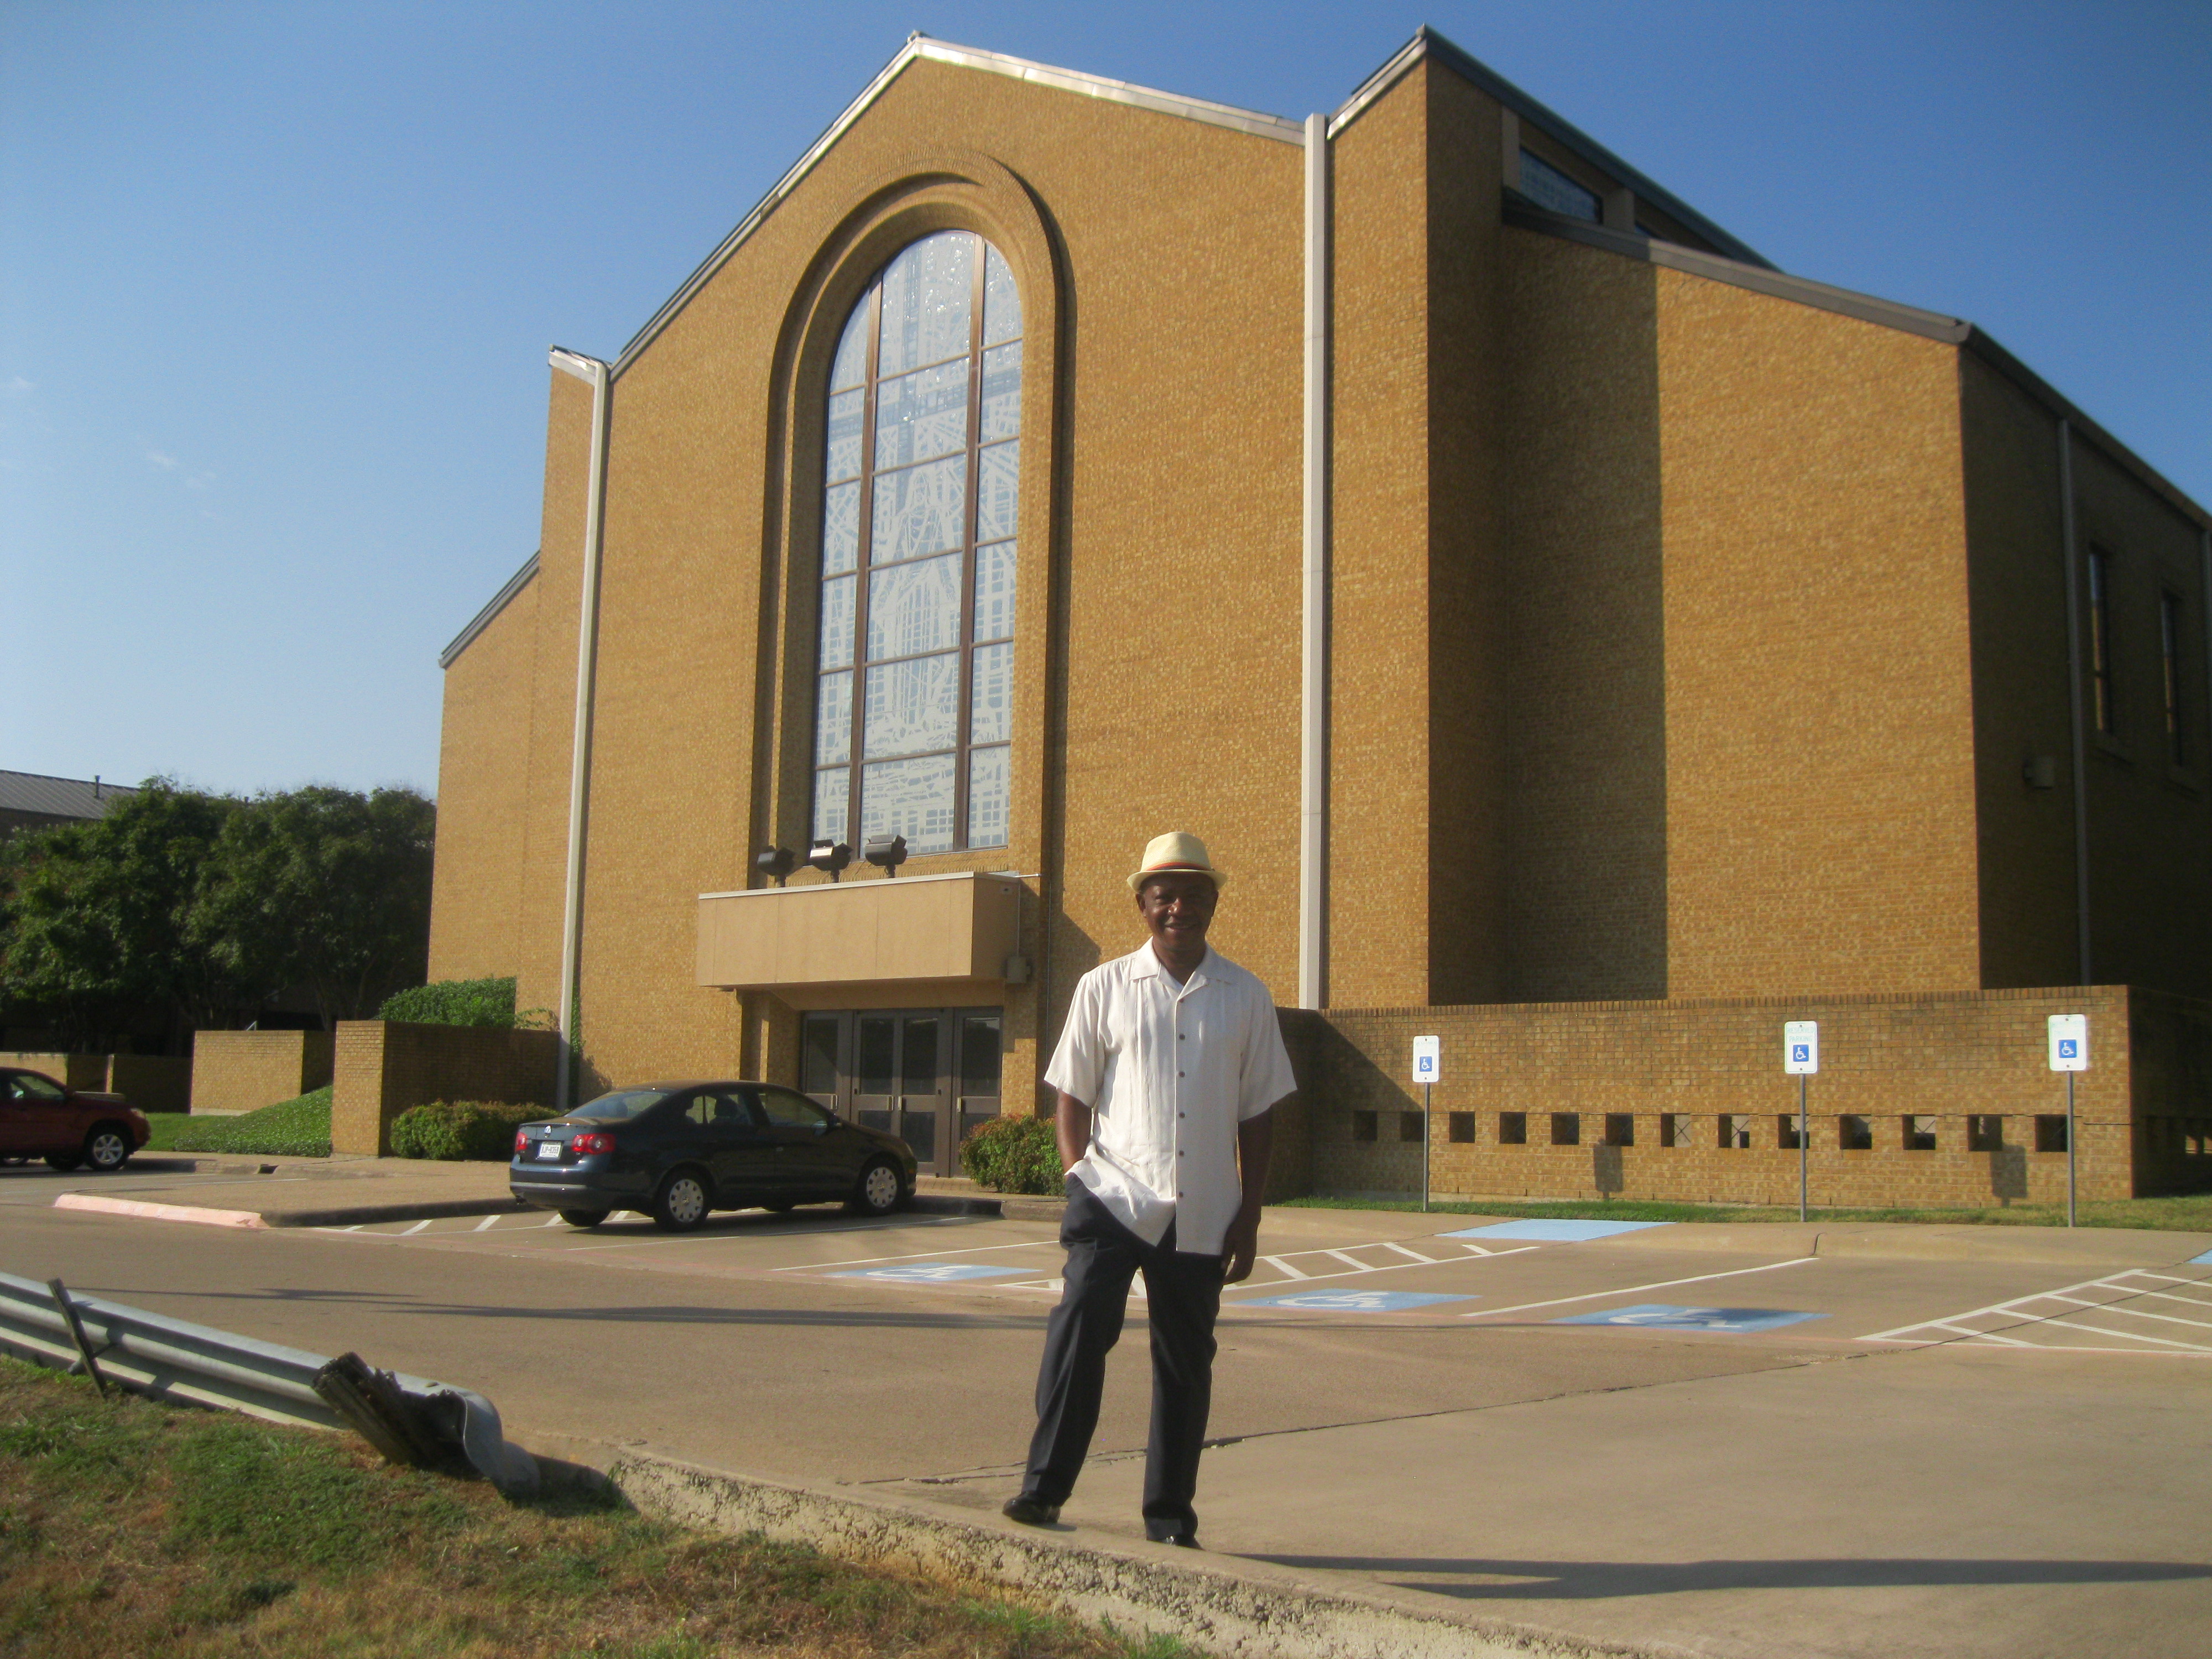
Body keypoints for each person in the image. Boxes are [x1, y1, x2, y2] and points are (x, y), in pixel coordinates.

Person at [1002, 830, 1297, 1547]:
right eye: (1165, 896)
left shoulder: (1246, 995)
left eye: (1194, 896)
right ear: (1142, 904)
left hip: (1203, 1211)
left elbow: (1258, 1114)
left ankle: (1169, 1515)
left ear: (1213, 903)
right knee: (1078, 1334)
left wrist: (1249, 1215)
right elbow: (1071, 1094)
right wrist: (1076, 1175)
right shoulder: (1102, 987)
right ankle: (1043, 1490)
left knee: (1185, 1363)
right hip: (1111, 1197)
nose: (1179, 909)